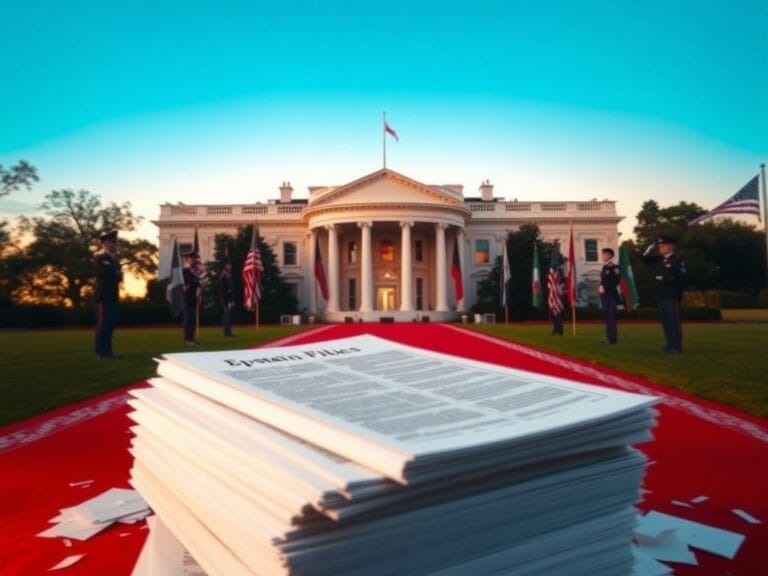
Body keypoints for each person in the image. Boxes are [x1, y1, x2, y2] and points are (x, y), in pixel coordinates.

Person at [644, 235, 687, 354]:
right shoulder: (660, 260)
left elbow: (680, 277)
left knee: (674, 321)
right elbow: (645, 259)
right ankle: (669, 344)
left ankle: (676, 346)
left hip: (672, 295)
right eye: (659, 246)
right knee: (666, 321)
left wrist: (663, 278)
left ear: (670, 246)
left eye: (662, 246)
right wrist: (649, 249)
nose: (660, 248)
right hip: (661, 294)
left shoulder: (678, 260)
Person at [94, 230, 123, 359]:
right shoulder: (100, 257)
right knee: (103, 324)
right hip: (103, 295)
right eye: (112, 242)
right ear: (104, 243)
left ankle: (108, 351)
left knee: (110, 324)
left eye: (115, 242)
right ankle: (101, 352)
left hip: (112, 295)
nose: (115, 244)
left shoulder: (113, 259)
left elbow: (118, 276)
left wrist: (116, 274)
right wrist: (116, 274)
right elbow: (109, 274)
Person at [598, 247, 621, 345]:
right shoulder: (605, 267)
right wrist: (600, 286)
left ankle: (613, 339)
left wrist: (605, 287)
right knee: (607, 318)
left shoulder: (614, 267)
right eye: (603, 254)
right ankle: (608, 336)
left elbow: (616, 281)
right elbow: (603, 280)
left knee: (611, 318)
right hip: (604, 296)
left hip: (611, 296)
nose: (604, 256)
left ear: (611, 256)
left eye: (606, 254)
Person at [182, 251, 201, 345]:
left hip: (193, 298)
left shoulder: (192, 272)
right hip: (188, 298)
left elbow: (195, 281)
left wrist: (198, 283)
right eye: (192, 258)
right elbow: (191, 282)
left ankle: (191, 337)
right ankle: (188, 339)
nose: (194, 260)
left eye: (195, 258)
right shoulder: (185, 271)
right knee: (188, 319)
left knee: (193, 319)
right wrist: (198, 283)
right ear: (188, 259)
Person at [219, 258, 235, 336]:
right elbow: (224, 290)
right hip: (225, 299)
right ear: (225, 266)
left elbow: (231, 289)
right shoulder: (223, 276)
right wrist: (228, 300)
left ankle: (229, 331)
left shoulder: (229, 275)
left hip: (229, 299)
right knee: (226, 316)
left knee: (229, 316)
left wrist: (231, 300)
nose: (230, 266)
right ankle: (226, 332)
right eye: (228, 265)